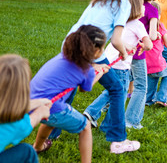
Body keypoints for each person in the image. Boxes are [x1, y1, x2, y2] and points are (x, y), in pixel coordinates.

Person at [66, 0, 140, 154]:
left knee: (70, 87)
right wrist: (124, 52)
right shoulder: (123, 3)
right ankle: (118, 140)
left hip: (70, 44)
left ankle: (52, 132)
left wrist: (125, 46)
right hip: (90, 49)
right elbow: (116, 40)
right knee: (117, 88)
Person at [31, 25, 109, 163]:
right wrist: (100, 72)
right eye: (103, 48)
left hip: (30, 103)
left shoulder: (63, 57)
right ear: (96, 51)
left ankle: (37, 147)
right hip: (50, 107)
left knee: (50, 121)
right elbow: (85, 89)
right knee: (85, 126)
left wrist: (93, 68)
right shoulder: (86, 70)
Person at [83, 0, 153, 130]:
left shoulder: (120, 23)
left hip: (107, 59)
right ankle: (98, 117)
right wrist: (144, 46)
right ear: (139, 9)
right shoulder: (138, 25)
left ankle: (93, 114)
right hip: (120, 65)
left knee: (112, 90)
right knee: (118, 94)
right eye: (143, 6)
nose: (145, 9)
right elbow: (149, 44)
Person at [0, 54, 51, 163]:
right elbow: (32, 120)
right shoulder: (17, 125)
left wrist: (40, 102)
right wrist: (41, 112)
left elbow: (8, 105)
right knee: (27, 151)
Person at [145, 2, 167, 107]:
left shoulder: (144, 27)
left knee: (152, 78)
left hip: (146, 63)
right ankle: (161, 98)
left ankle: (148, 100)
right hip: (157, 63)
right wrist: (166, 35)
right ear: (159, 15)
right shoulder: (160, 26)